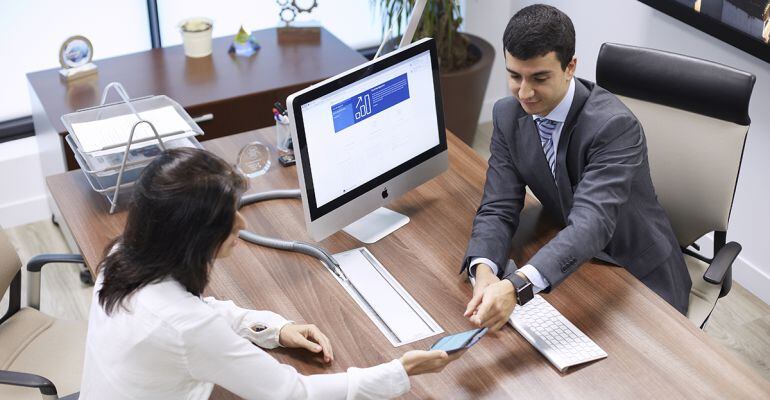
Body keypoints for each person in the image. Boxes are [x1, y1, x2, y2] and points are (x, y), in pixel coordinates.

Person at [79, 148, 459, 399]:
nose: (242, 222)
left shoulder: (122, 255)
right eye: (230, 216)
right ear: (195, 237)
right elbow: (294, 395)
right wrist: (398, 371)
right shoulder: (187, 327)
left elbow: (202, 312)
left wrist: (274, 328)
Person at [462, 4, 692, 332]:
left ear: (570, 67)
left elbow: (591, 225)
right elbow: (498, 206)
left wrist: (516, 286)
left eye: (539, 78)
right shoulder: (507, 115)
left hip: (637, 275)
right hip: (573, 267)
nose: (524, 93)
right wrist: (484, 271)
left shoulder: (614, 127)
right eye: (515, 76)